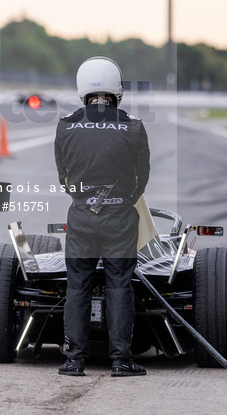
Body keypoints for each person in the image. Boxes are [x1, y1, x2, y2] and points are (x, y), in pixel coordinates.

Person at [54, 56, 150, 378]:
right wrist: (121, 201)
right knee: (120, 285)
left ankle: (74, 360)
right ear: (117, 89)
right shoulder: (134, 127)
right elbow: (143, 176)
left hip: (81, 215)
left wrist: (86, 199)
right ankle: (121, 361)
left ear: (82, 90)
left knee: (77, 286)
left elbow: (63, 176)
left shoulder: (66, 126)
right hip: (120, 217)